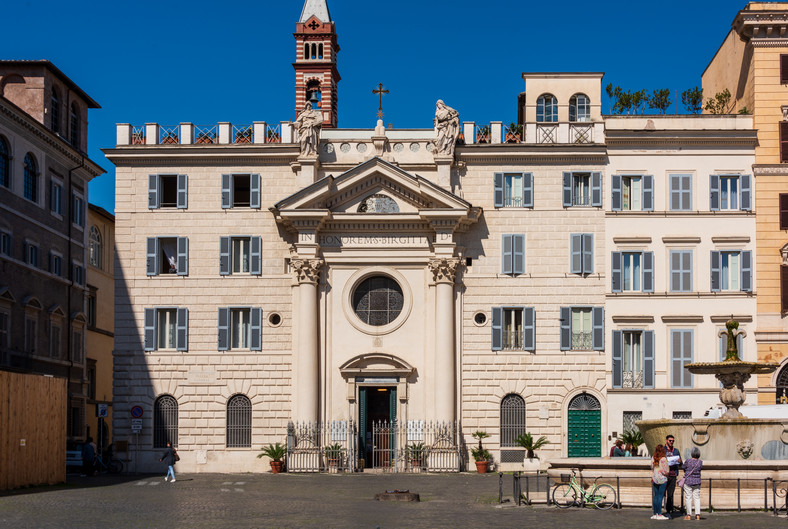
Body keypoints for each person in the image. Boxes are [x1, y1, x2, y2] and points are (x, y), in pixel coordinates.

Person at [682, 447, 703, 520]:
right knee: (697, 498)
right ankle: (697, 515)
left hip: (688, 481)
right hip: (697, 482)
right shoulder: (700, 462)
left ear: (692, 454)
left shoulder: (688, 461)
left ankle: (688, 515)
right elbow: (700, 469)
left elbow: (683, 467)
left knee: (688, 498)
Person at [664, 434, 682, 516]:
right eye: (670, 440)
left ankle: (668, 510)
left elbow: (681, 463)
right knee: (661, 493)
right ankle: (658, 511)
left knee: (670, 494)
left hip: (673, 474)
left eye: (673, 441)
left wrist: (680, 461)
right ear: (666, 441)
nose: (671, 442)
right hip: (664, 475)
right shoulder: (662, 450)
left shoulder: (676, 451)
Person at [651, 443, 669, 520]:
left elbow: (652, 468)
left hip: (655, 478)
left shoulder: (653, 458)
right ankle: (660, 514)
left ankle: (655, 513)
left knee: (656, 496)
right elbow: (666, 471)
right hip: (662, 479)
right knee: (660, 496)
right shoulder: (663, 459)